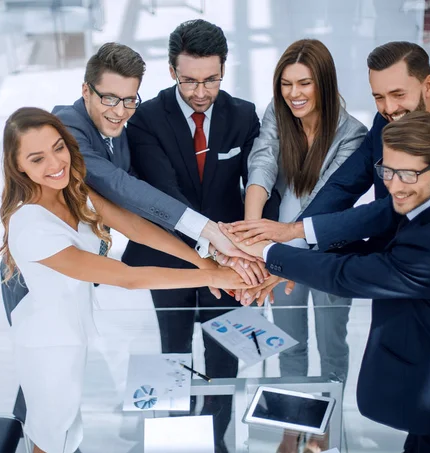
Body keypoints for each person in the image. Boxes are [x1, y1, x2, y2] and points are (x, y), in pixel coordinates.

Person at [221, 111, 430, 453]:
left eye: (407, 174)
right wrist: (293, 248)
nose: (394, 186)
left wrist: (270, 252)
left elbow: (347, 276)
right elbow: (369, 220)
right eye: (388, 172)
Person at [0, 107, 248, 453]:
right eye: (37, 159)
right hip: (48, 345)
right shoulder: (31, 226)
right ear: (18, 166)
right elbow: (127, 279)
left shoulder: (72, 191)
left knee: (66, 432)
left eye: (58, 148)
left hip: (71, 329)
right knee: (52, 436)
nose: (55, 164)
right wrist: (214, 274)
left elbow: (134, 226)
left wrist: (200, 259)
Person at [228, 41, 430, 321]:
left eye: (398, 94)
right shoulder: (386, 123)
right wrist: (290, 251)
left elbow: (393, 212)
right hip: (385, 272)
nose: (389, 108)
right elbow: (345, 184)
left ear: (427, 86)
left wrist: (293, 236)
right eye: (379, 97)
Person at [0, 42, 256, 325]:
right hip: (38, 289)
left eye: (129, 100)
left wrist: (206, 257)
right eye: (109, 98)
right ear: (86, 91)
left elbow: (131, 214)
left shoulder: (114, 127)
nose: (120, 112)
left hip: (76, 292)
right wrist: (209, 237)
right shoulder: (68, 132)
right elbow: (119, 185)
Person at [122, 20, 279, 453]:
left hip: (232, 261)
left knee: (225, 351)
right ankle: (175, 438)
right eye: (189, 80)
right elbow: (164, 195)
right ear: (172, 70)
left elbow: (263, 184)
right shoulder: (147, 119)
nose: (200, 92)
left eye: (211, 79)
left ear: (224, 68)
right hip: (170, 255)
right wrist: (216, 248)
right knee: (173, 348)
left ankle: (214, 438)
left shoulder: (243, 114)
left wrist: (256, 246)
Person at [243, 39, 366, 385]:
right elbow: (262, 163)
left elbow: (329, 200)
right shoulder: (278, 112)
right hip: (280, 252)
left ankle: (325, 428)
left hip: (328, 255)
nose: (293, 94)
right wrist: (253, 236)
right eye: (285, 84)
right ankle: (292, 425)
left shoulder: (353, 135)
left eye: (304, 83)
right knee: (288, 345)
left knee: (332, 347)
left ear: (324, 83)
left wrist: (282, 260)